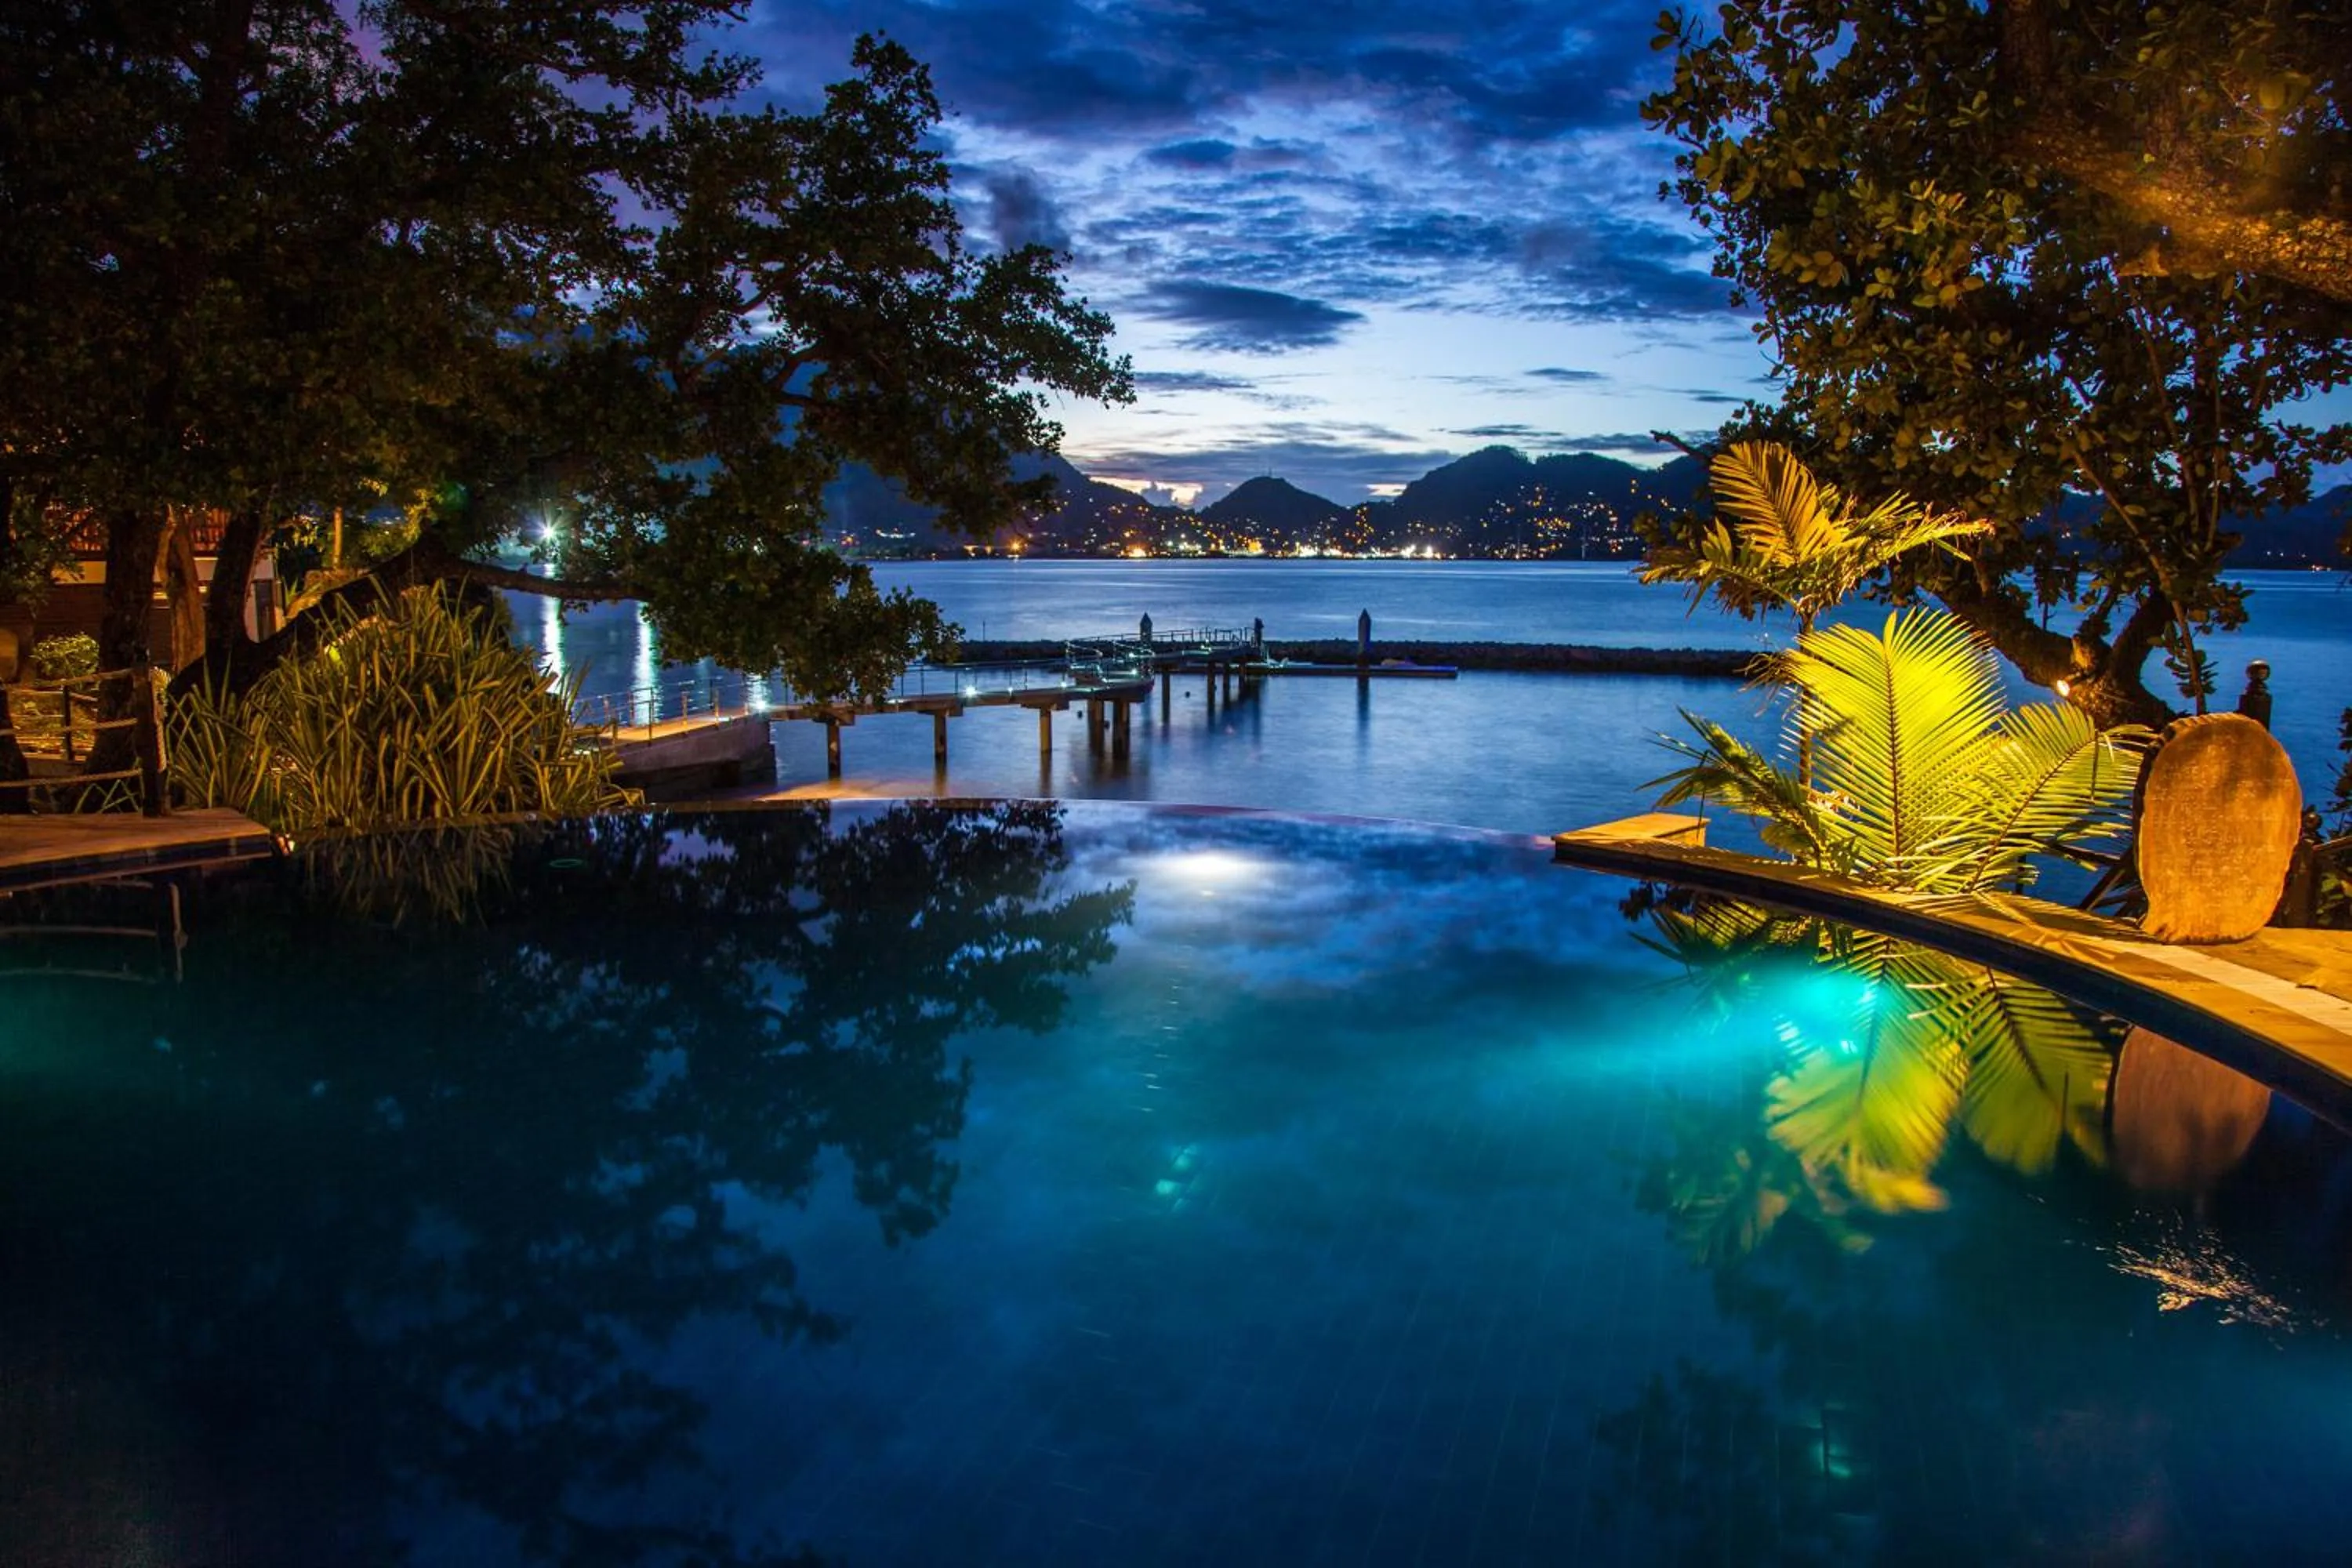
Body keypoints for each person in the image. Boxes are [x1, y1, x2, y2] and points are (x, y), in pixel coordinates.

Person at [2236, 659, 2274, 730]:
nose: (2261, 675)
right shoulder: (2263, 696)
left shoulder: (2249, 695)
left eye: (2263, 673)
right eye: (2259, 673)